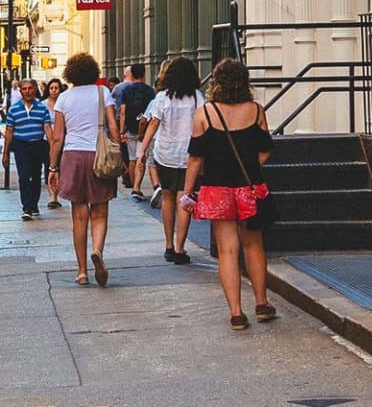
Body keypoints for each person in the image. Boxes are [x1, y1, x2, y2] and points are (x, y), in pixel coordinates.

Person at [183, 59, 277, 329]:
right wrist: (249, 166)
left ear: (217, 82)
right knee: (254, 245)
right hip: (250, 188)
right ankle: (261, 302)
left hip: (216, 189)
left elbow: (195, 159)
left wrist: (187, 192)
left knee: (227, 250)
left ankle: (236, 313)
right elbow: (266, 148)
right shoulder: (256, 111)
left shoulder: (205, 113)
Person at [48, 52, 123, 287]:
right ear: (94, 71)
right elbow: (113, 126)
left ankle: (81, 271)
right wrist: (120, 154)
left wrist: (53, 167)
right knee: (99, 212)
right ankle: (97, 251)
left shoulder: (64, 99)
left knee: (79, 217)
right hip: (99, 155)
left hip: (73, 156)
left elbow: (58, 138)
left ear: (70, 73)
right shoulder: (103, 93)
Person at [141, 56, 204, 264]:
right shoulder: (197, 97)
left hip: (165, 154)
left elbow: (153, 125)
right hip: (189, 156)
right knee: (184, 199)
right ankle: (180, 248)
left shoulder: (162, 97)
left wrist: (142, 151)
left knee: (168, 199)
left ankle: (168, 245)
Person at [3, 79, 53, 220]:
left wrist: (52, 147)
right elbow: (9, 132)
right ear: (20, 91)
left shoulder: (42, 108)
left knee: (36, 176)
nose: (27, 91)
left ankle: (34, 204)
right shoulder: (14, 109)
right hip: (21, 146)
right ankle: (26, 207)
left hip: (38, 145)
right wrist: (5, 153)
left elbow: (47, 129)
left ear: (35, 89)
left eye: (30, 88)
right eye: (24, 89)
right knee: (24, 176)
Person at [112, 63, 157, 200]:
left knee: (132, 158)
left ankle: (134, 186)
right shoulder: (149, 91)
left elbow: (123, 111)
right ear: (143, 74)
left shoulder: (126, 90)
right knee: (141, 157)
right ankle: (137, 186)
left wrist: (121, 130)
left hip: (130, 127)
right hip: (145, 127)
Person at [41, 78, 65, 208]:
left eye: (56, 88)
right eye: (52, 88)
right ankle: (52, 196)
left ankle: (57, 193)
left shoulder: (63, 103)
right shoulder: (43, 104)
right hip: (46, 140)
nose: (54, 90)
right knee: (49, 166)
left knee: (60, 167)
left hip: (61, 139)